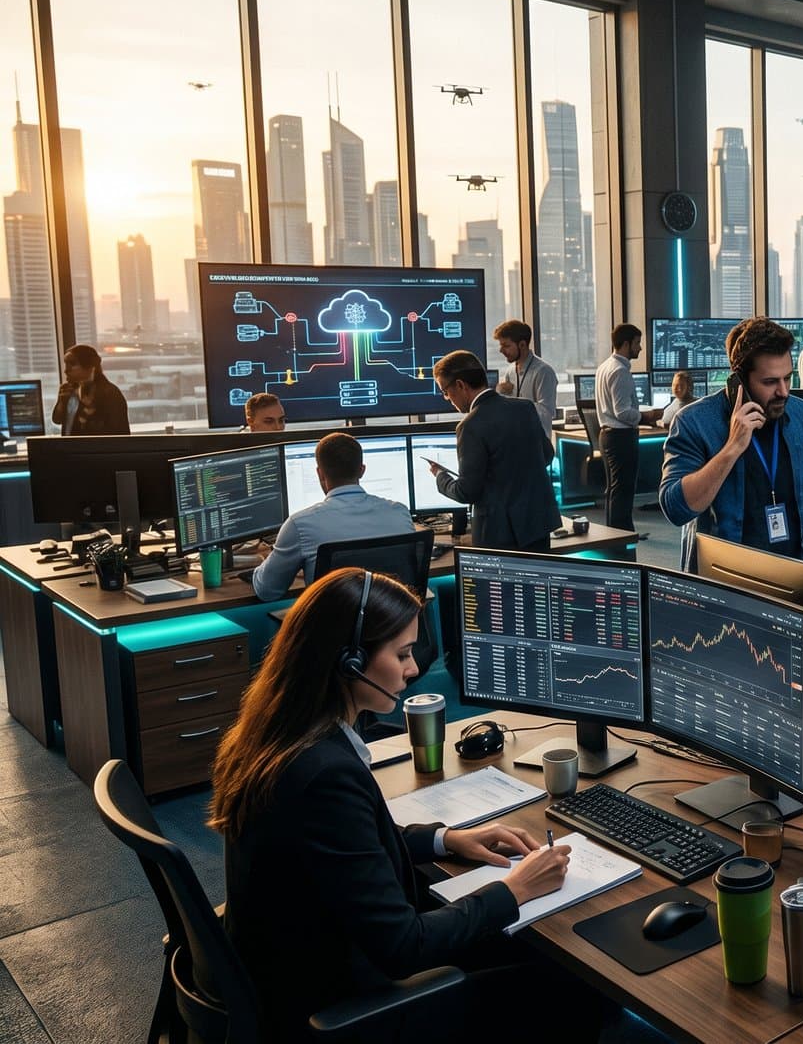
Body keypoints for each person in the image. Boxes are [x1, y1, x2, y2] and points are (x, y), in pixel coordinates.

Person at [210, 569, 605, 1042]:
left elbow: (348, 847)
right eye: (400, 654)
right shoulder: (323, 774)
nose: (414, 669)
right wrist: (516, 889)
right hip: (342, 1005)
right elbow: (405, 947)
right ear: (349, 662)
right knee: (573, 985)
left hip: (291, 967)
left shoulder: (279, 733)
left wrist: (446, 838)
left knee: (518, 944)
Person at [659, 317, 803, 564]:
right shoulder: (694, 421)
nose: (783, 391)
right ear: (739, 381)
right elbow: (675, 508)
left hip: (795, 567)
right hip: (724, 575)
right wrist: (733, 447)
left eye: (787, 377)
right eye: (770, 382)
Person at [253, 433, 416, 601]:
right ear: (362, 470)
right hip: (397, 622)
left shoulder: (299, 524)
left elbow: (268, 591)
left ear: (320, 473)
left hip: (335, 626)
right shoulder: (400, 513)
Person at [428, 350, 560, 552]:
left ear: (461, 385)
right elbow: (547, 455)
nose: (447, 398)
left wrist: (440, 476)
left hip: (500, 534)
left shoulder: (470, 425)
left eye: (445, 391)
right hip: (536, 524)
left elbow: (467, 492)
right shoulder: (525, 408)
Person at [594, 323, 658, 534]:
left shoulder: (604, 367)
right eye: (637, 343)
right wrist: (647, 416)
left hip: (608, 435)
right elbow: (622, 412)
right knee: (623, 489)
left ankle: (616, 534)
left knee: (615, 489)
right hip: (621, 436)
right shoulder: (620, 371)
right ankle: (623, 534)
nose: (640, 349)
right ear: (625, 344)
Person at [493, 318, 558, 431]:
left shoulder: (543, 372)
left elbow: (546, 413)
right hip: (515, 439)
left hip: (537, 443)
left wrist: (514, 403)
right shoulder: (510, 371)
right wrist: (500, 395)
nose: (501, 350)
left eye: (506, 346)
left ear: (522, 344)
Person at [54, 344, 129, 435]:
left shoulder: (110, 393)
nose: (66, 370)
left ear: (90, 367)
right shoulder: (69, 390)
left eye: (72, 364)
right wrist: (61, 403)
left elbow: (116, 432)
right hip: (71, 447)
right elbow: (57, 420)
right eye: (66, 364)